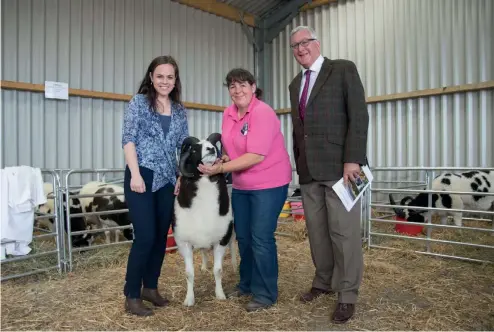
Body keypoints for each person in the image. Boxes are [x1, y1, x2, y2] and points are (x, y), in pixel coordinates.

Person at [288, 26, 369, 324]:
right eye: (294, 45)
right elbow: (300, 130)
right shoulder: (295, 83)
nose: (300, 48)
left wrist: (353, 160)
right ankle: (323, 281)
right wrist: (297, 163)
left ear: (316, 43)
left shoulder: (342, 70)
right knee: (318, 232)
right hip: (309, 170)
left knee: (344, 233)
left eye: (305, 42)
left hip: (341, 169)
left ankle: (347, 295)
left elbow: (359, 115)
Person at [198, 68, 292, 312]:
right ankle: (247, 283)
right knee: (244, 238)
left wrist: (221, 170)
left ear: (253, 87)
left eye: (242, 85)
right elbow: (234, 148)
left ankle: (266, 293)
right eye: (232, 86)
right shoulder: (228, 113)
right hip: (242, 184)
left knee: (261, 237)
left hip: (269, 183)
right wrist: (224, 160)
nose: (237, 90)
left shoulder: (263, 112)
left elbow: (256, 155)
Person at [121, 55, 189, 316]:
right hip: (142, 176)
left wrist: (181, 176)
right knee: (146, 235)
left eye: (169, 77)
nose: (164, 81)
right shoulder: (138, 103)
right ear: (151, 77)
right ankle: (132, 294)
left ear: (175, 80)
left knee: (161, 236)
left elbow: (184, 146)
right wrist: (135, 174)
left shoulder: (180, 110)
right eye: (159, 76)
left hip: (167, 180)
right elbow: (128, 140)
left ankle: (150, 287)